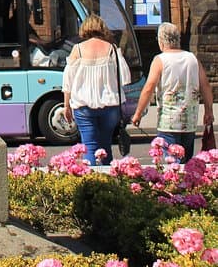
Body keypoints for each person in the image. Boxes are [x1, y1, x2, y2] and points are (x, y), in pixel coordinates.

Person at [131, 21, 214, 161]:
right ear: (178, 39)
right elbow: (205, 86)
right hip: (189, 121)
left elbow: (149, 87)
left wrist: (138, 114)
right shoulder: (192, 58)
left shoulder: (160, 60)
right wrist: (209, 111)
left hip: (168, 122)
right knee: (186, 163)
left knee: (172, 165)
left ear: (161, 41)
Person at [62, 14, 131, 166]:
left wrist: (66, 106)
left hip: (83, 106)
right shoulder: (112, 49)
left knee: (90, 146)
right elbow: (125, 77)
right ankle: (108, 181)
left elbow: (68, 81)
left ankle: (93, 181)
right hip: (110, 106)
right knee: (106, 145)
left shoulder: (77, 49)